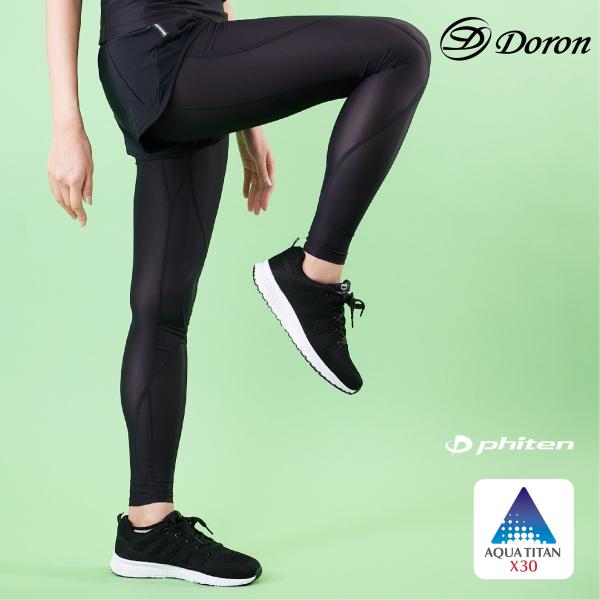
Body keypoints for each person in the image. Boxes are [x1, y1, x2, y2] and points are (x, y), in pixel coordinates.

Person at [45, 0, 431, 587]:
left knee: (162, 310)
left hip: (192, 57)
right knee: (400, 49)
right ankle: (312, 275)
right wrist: (66, 125)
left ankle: (148, 528)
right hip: (164, 50)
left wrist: (249, 125)